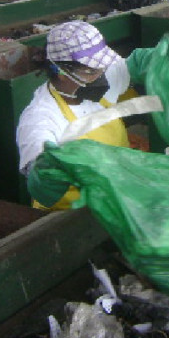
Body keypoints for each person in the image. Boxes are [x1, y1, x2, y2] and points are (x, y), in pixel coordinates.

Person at [16, 22, 153, 210]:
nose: (101, 76)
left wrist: (156, 59)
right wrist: (46, 171)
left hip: (117, 197)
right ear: (62, 72)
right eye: (92, 71)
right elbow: (38, 174)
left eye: (102, 68)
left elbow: (131, 66)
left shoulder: (94, 80)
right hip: (73, 215)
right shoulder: (40, 117)